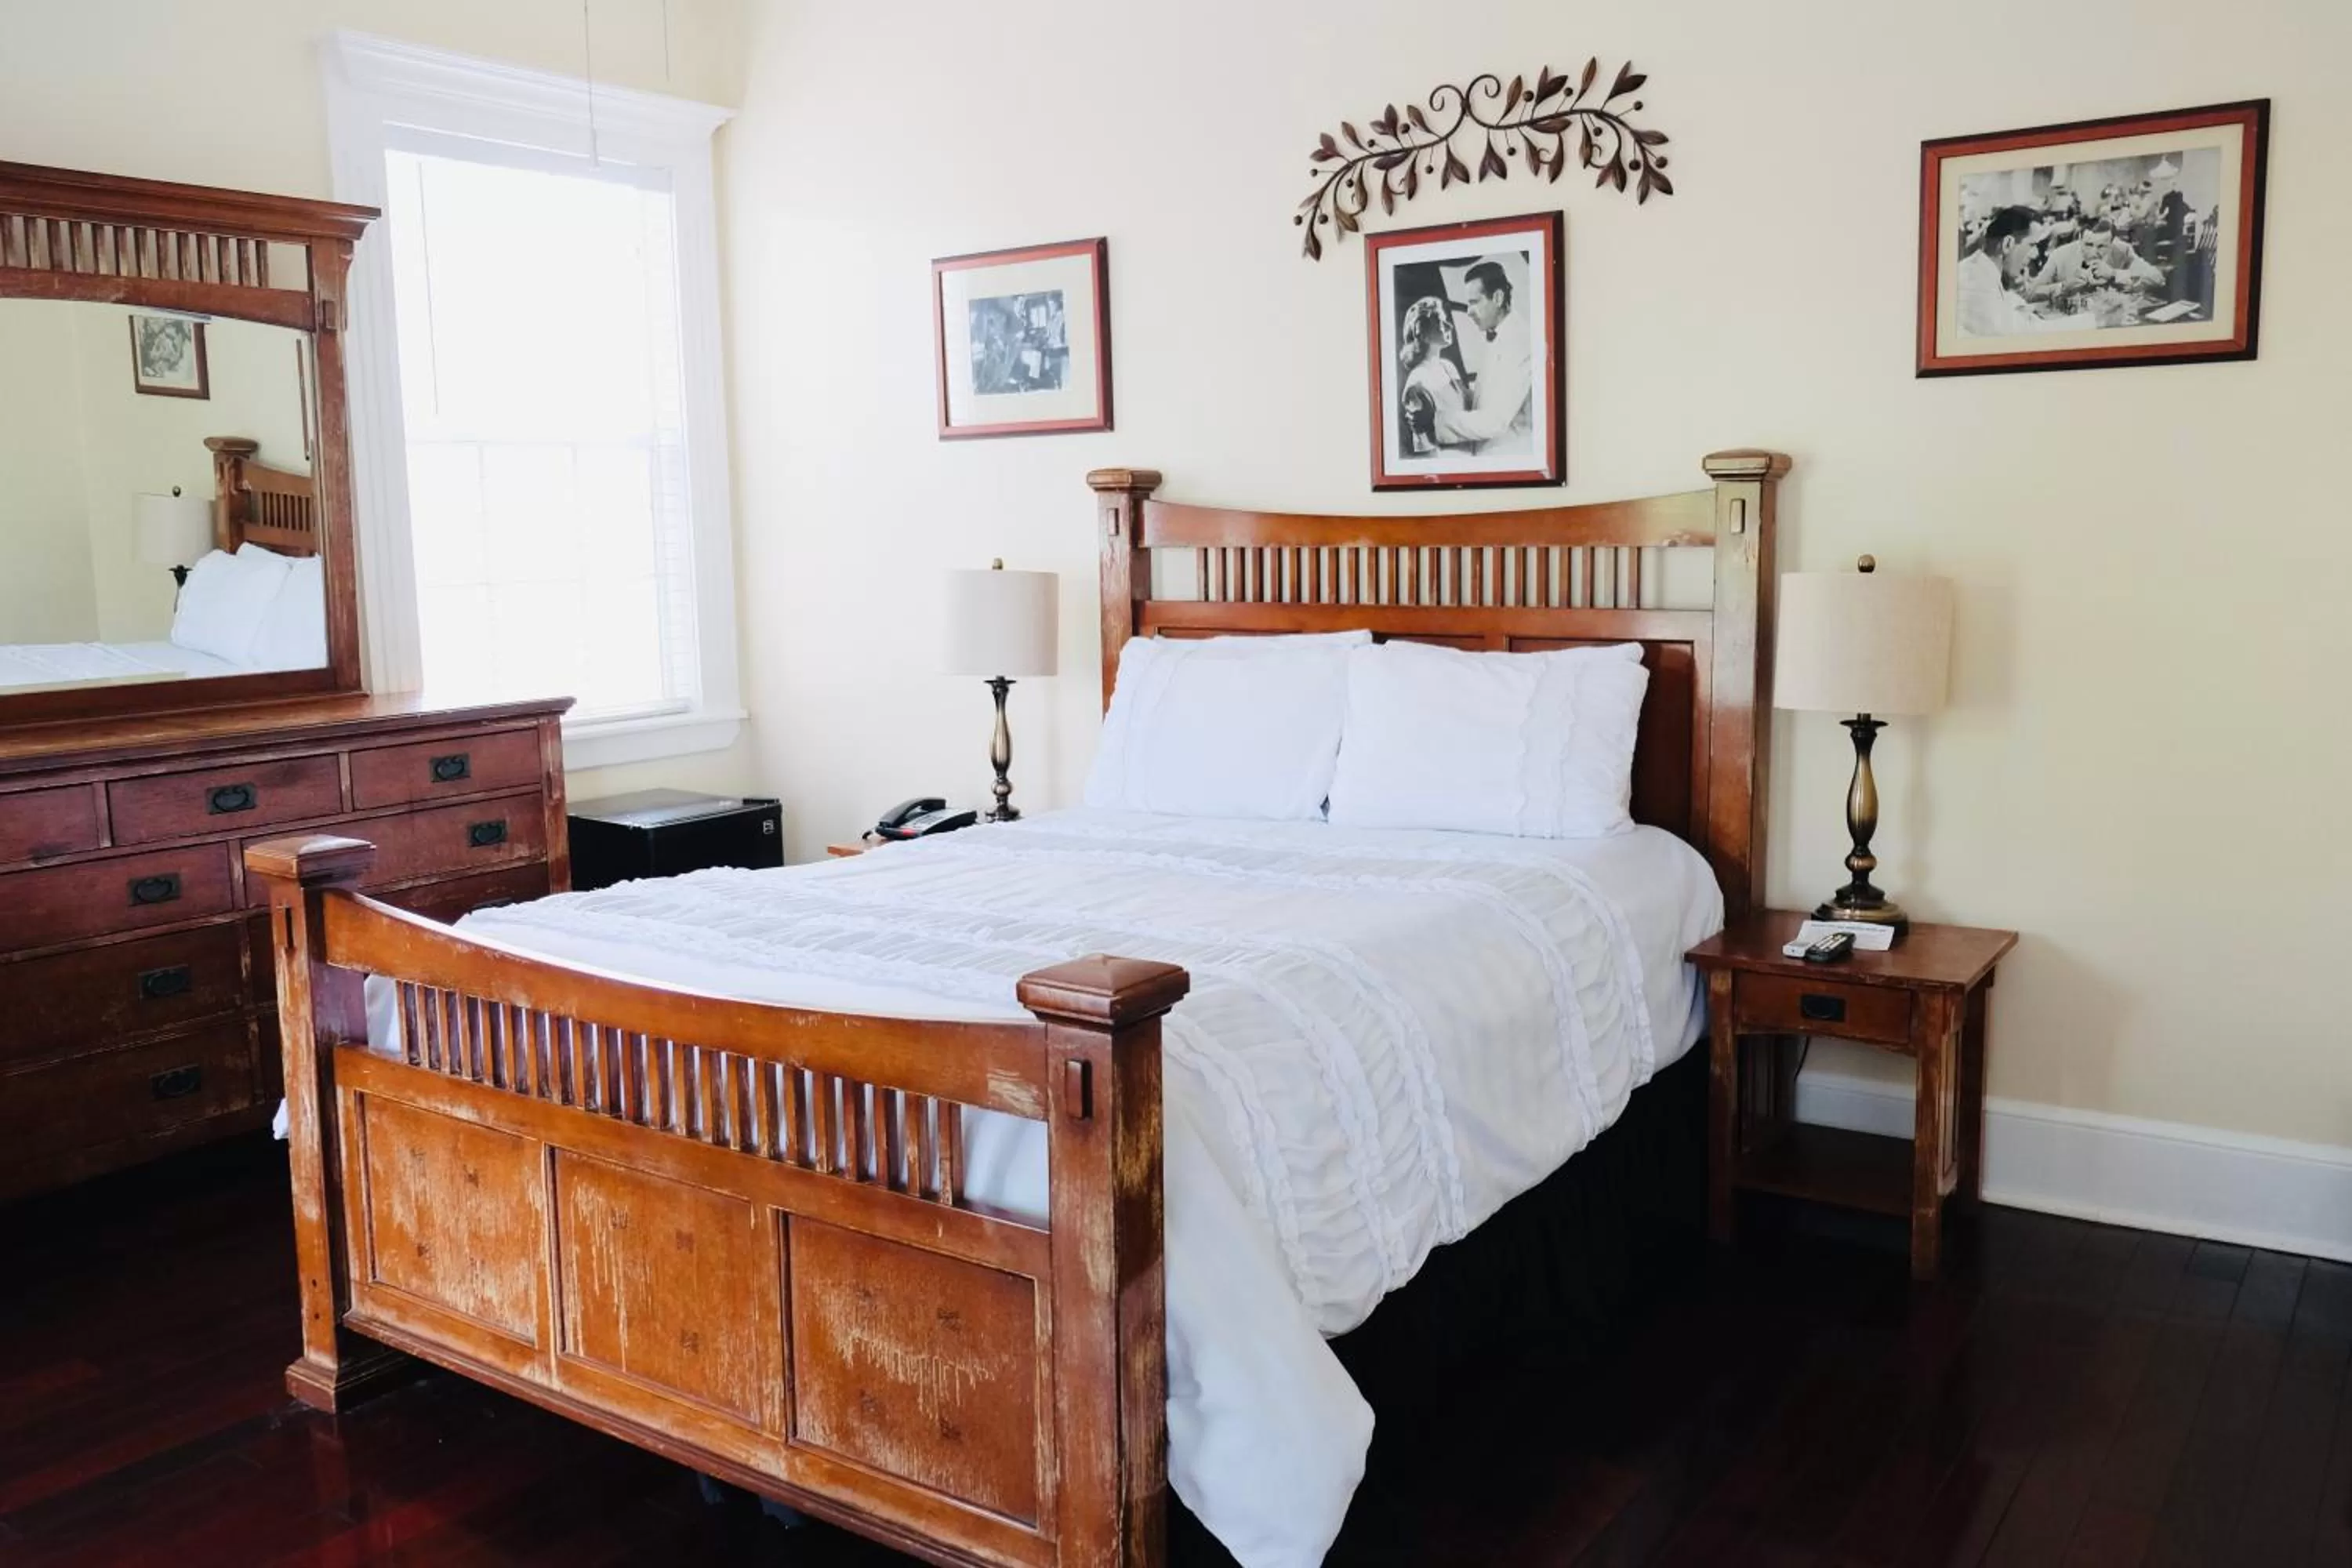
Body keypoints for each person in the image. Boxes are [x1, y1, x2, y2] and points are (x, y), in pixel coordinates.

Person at [1429, 259, 1532, 455]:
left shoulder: (1520, 343)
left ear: (1498, 298)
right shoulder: (1502, 336)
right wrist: (1456, 389)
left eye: (1474, 302)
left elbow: (1495, 421)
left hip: (1510, 459)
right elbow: (1491, 398)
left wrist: (1435, 422)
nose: (1469, 312)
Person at [1956, 205, 2070, 336]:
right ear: (2007, 244)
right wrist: (2092, 320)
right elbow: (2027, 335)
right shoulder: (1974, 283)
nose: (2034, 254)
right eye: (2032, 245)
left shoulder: (1980, 269)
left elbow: (2009, 299)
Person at [1396, 294, 1467, 456]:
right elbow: (1427, 452)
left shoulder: (1448, 367)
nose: (1450, 326)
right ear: (1422, 332)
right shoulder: (1417, 384)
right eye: (1442, 322)